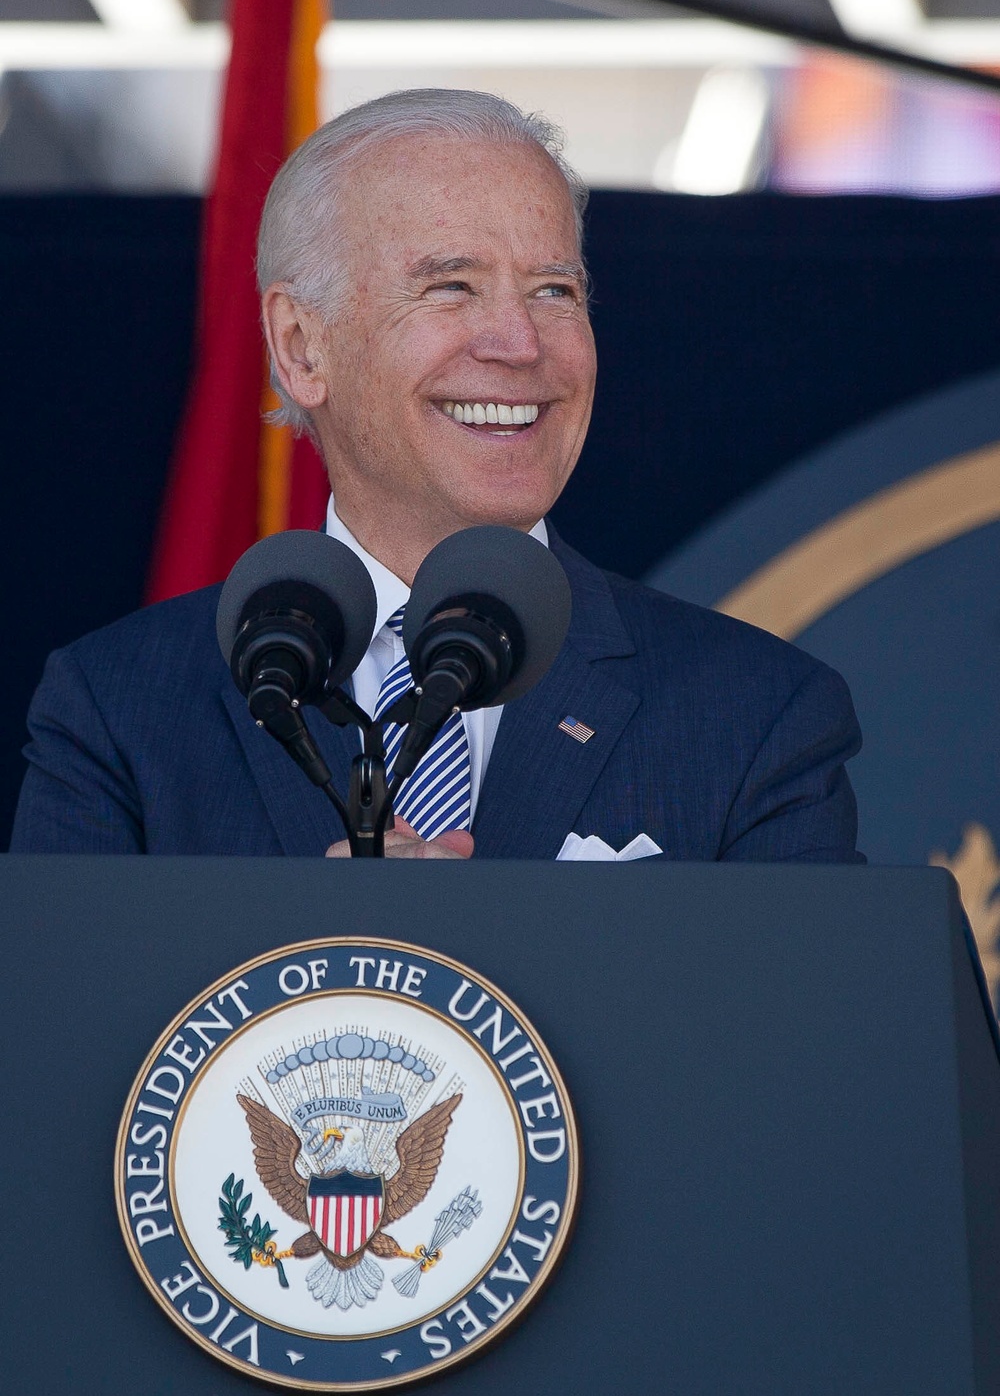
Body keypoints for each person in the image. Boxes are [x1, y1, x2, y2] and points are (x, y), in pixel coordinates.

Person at [10, 89, 863, 863]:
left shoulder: (755, 716)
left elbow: (809, 1033)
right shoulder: (118, 712)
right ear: (303, 347)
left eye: (555, 291)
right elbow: (65, 1032)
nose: (521, 343)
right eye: (451, 287)